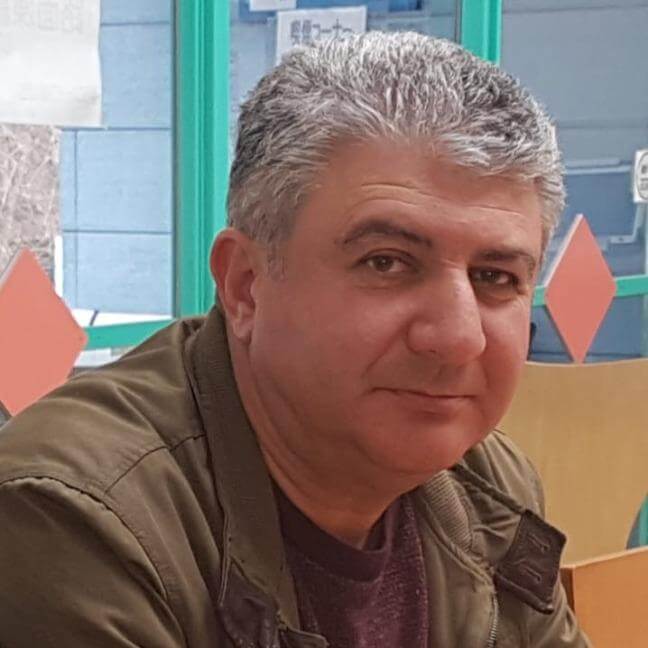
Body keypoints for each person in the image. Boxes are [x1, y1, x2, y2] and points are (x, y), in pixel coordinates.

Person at [0, 32, 590, 647]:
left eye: (495, 277)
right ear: (246, 286)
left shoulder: (486, 483)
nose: (458, 337)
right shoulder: (74, 521)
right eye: (387, 263)